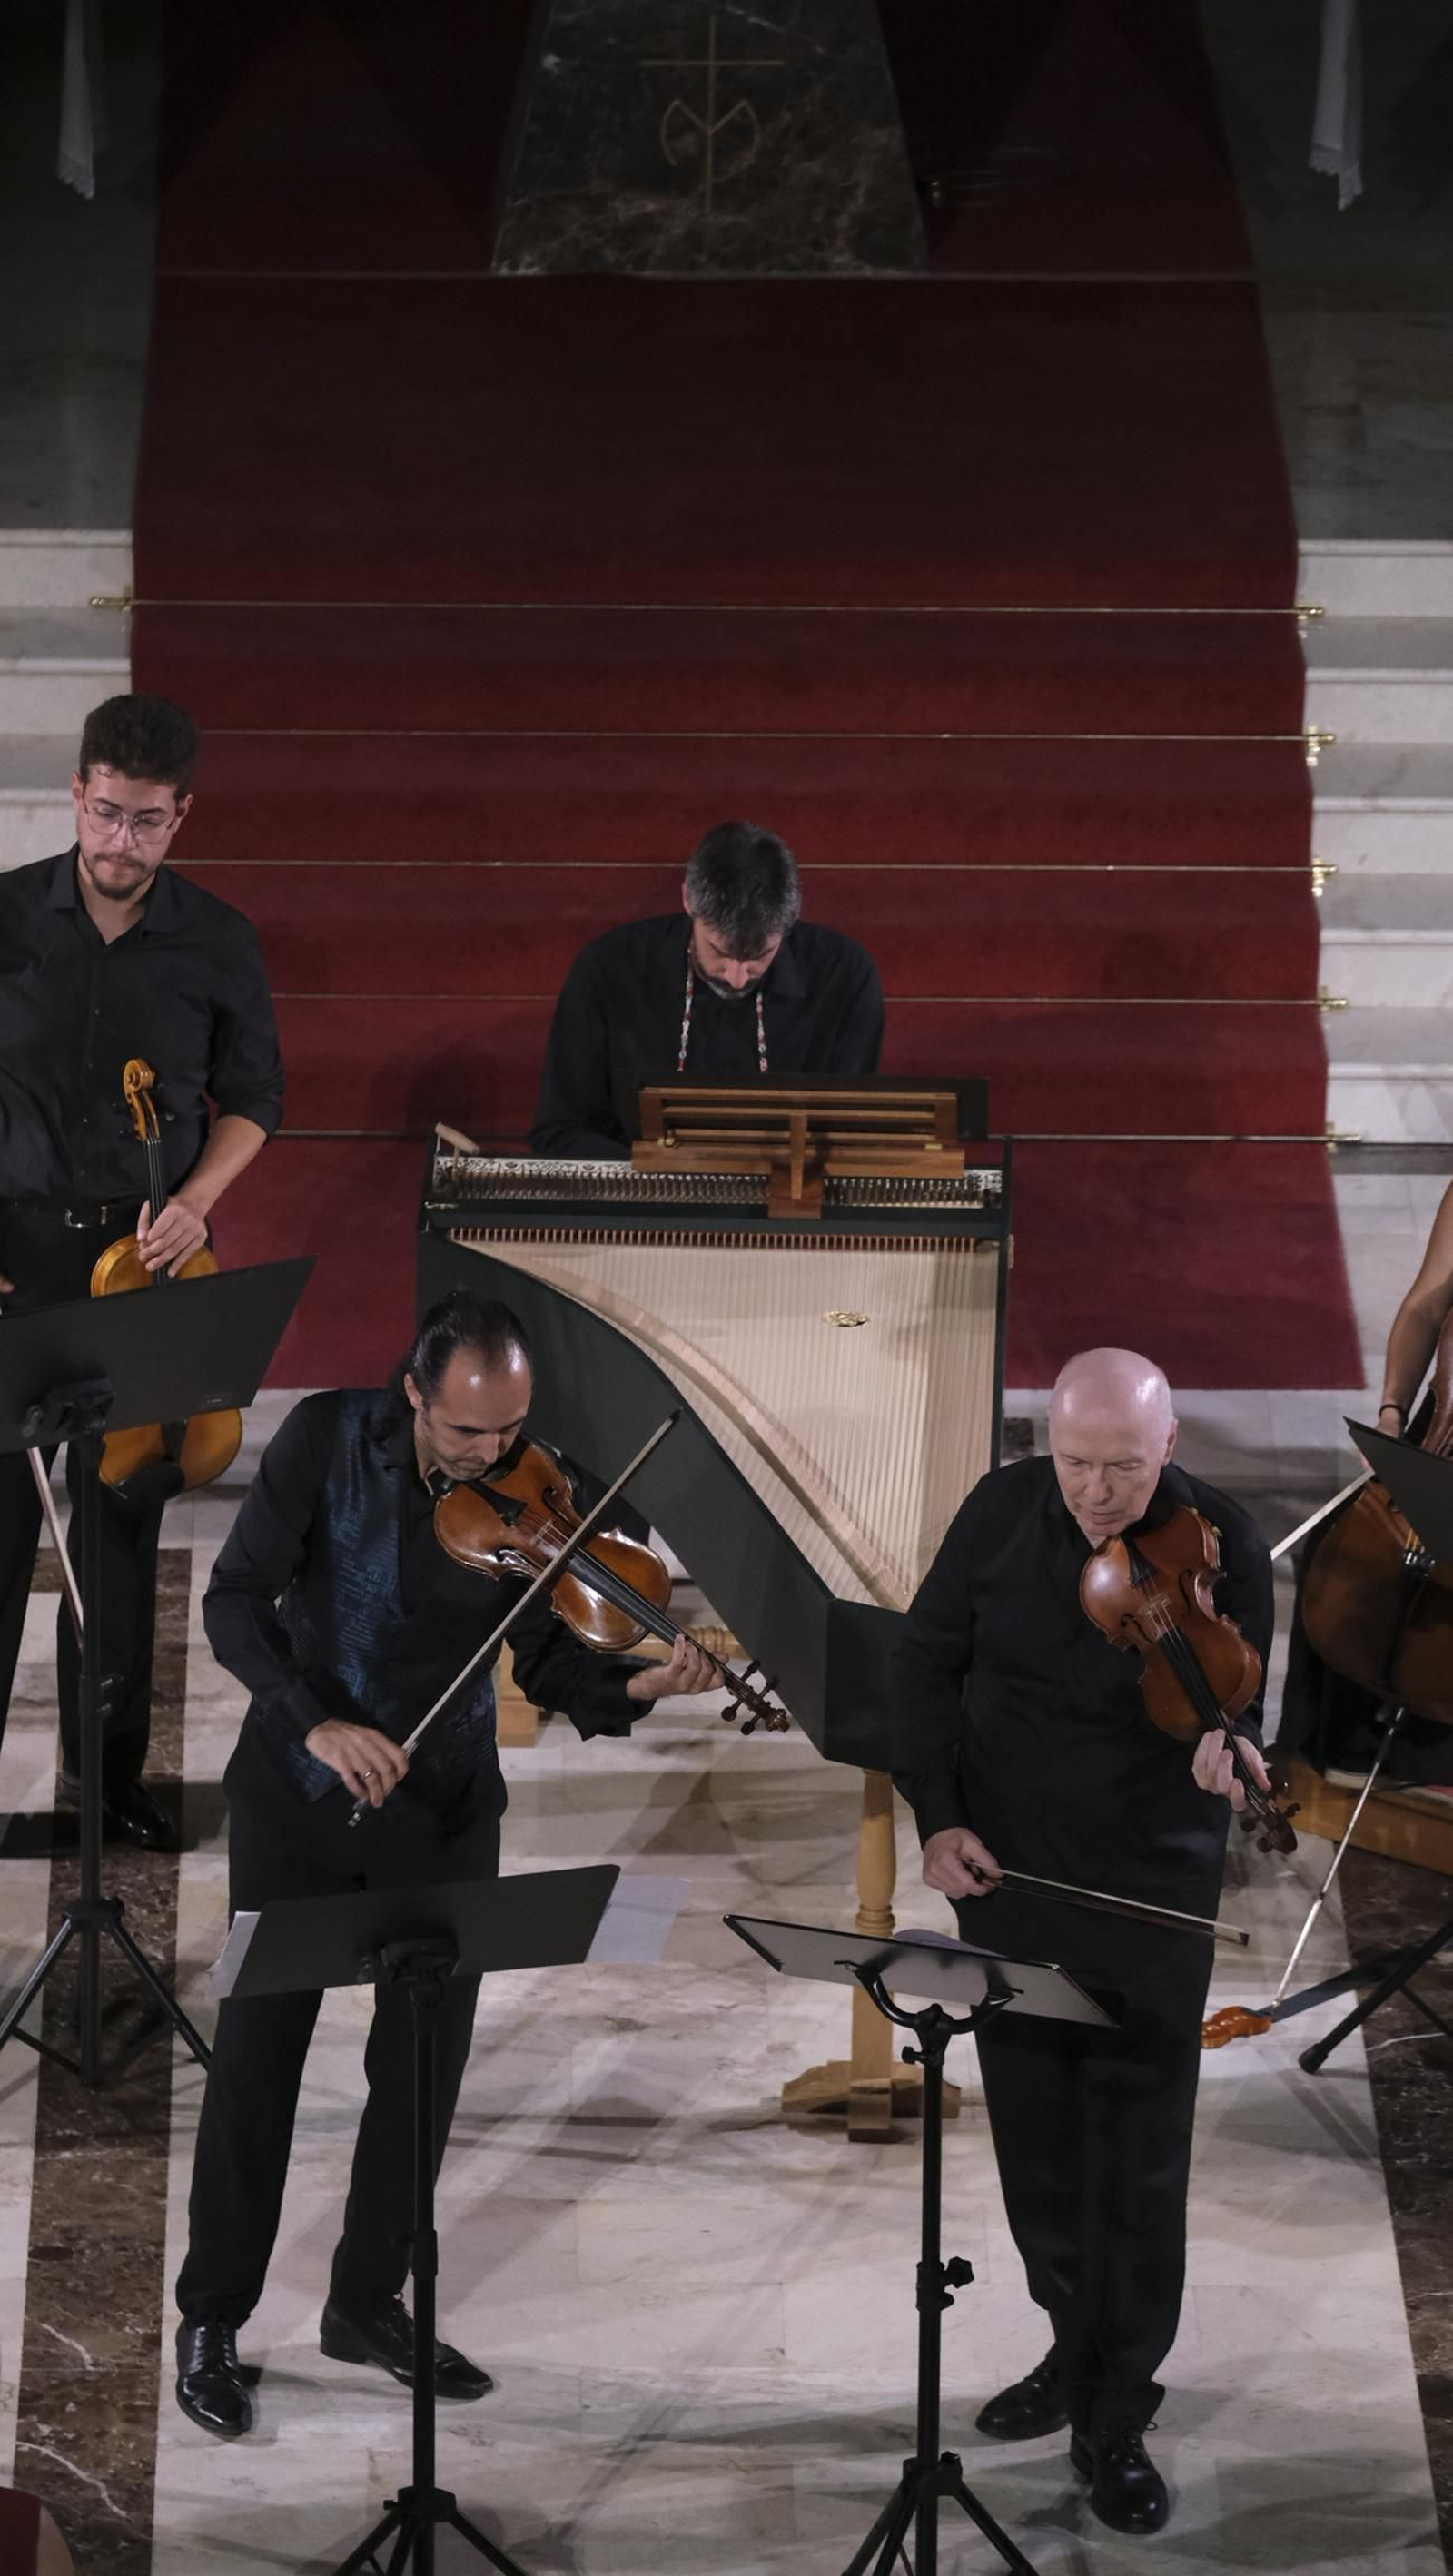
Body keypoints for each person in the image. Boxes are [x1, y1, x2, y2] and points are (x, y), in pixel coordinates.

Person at [174, 1288, 717, 2440]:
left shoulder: (541, 1484)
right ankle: (212, 2316)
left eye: (509, 1430)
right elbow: (234, 1603)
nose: (492, 1452)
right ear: (415, 1392)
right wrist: (313, 1719)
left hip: (446, 1805)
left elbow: (552, 1663)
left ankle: (367, 2302)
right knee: (255, 2071)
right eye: (467, 1430)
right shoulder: (325, 1439)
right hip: (301, 1801)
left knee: (418, 2077)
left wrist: (637, 1684)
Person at [890, 1349, 1273, 2536]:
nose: (1096, 1492)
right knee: (1040, 2157)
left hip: (1152, 1895)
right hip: (1012, 1885)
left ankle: (1118, 2414)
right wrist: (938, 1814)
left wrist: (1230, 1746)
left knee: (1140, 2171)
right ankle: (1072, 2345)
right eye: (1074, 1463)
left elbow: (1242, 1702)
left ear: (1168, 1448)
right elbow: (922, 1665)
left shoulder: (1227, 1540)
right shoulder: (1000, 1514)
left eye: (1121, 1466)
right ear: (1042, 1442)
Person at [0, 695, 282, 1845]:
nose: (122, 844)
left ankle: (103, 1782)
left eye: (149, 823)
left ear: (183, 818)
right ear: (77, 795)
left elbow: (256, 1101)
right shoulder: (7, 915)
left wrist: (196, 1204)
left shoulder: (218, 940)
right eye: (107, 815)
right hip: (12, 1258)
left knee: (119, 1543)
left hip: (137, 1263)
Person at [529, 819, 884, 1157]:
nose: (737, 977)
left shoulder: (844, 974)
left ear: (790, 924)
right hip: (640, 1206)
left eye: (759, 956)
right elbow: (562, 1128)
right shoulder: (609, 968)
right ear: (688, 900)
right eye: (719, 952)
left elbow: (846, 1136)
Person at [1281, 1179, 1453, 1789]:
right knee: (1335, 1543)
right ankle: (1316, 1751)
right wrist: (1391, 1413)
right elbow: (1425, 1308)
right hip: (1444, 1428)